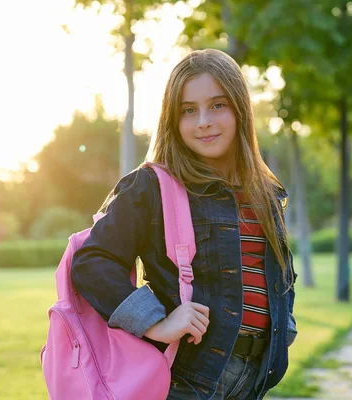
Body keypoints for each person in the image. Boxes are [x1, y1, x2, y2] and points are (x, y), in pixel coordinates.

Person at [71, 48, 297, 400]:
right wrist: (155, 323)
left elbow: (276, 273)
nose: (203, 120)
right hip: (186, 380)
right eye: (188, 111)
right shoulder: (152, 185)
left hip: (253, 379)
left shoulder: (266, 192)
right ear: (172, 121)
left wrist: (284, 329)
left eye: (218, 105)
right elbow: (92, 262)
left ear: (240, 110)